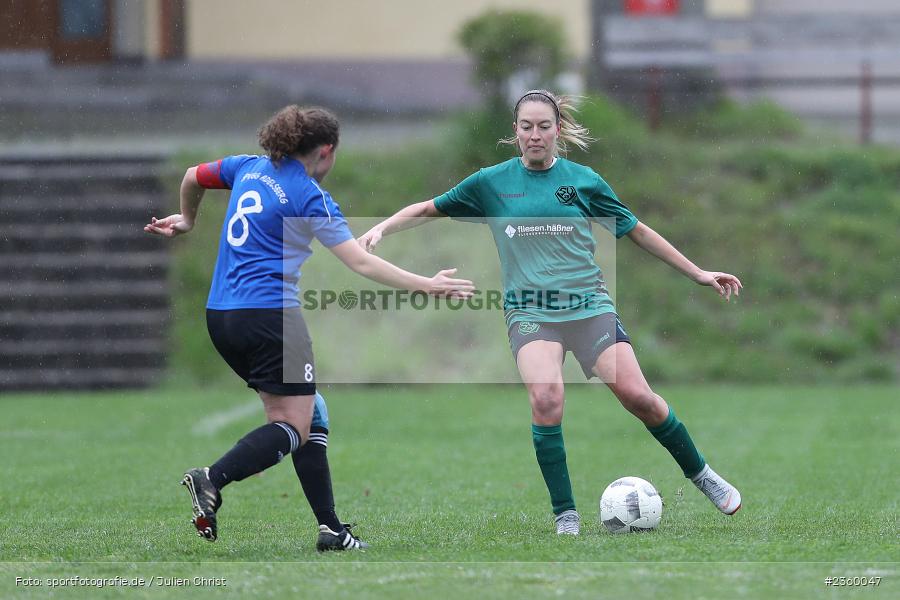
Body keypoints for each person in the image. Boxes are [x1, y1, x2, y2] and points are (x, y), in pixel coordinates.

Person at [358, 90, 743, 535]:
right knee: (546, 398)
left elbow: (636, 230)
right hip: (530, 313)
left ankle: (702, 475)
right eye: (526, 127)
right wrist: (384, 226)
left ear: (558, 130)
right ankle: (566, 514)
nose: (535, 135)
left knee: (639, 398)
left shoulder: (583, 181)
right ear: (515, 132)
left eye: (544, 126)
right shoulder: (491, 183)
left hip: (588, 308)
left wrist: (696, 272)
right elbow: (428, 208)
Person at [145, 105, 473, 550]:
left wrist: (187, 220)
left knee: (310, 411)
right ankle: (212, 478)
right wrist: (428, 286)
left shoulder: (248, 167)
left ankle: (332, 531)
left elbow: (191, 175)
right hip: (271, 318)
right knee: (293, 425)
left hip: (222, 316)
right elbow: (359, 261)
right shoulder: (309, 196)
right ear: (325, 151)